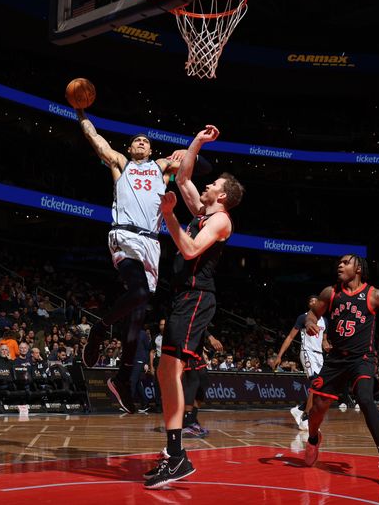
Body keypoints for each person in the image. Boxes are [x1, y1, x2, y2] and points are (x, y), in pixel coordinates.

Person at [76, 108, 209, 414]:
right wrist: (80, 112)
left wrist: (189, 152)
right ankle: (99, 330)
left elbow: (200, 167)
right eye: (135, 141)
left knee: (137, 317)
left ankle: (123, 379)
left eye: (145, 141)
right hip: (123, 236)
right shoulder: (120, 164)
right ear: (129, 148)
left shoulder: (162, 168)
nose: (139, 143)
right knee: (137, 292)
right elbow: (94, 138)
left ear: (151, 149)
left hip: (152, 243)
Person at [144, 125, 244, 489]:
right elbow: (184, 175)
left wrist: (169, 216)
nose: (205, 185)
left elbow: (188, 250)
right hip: (184, 295)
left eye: (212, 184)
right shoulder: (202, 211)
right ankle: (174, 454)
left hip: (197, 296)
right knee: (165, 372)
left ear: (223, 195)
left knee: (170, 371)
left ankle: (177, 455)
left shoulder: (219, 220)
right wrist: (199, 140)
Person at [302, 254, 379, 483]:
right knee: (317, 408)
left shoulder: (375, 295)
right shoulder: (330, 292)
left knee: (365, 399)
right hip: (335, 360)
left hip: (362, 359)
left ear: (358, 269)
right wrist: (309, 323)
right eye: (339, 262)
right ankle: (313, 439)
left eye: (346, 262)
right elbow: (313, 313)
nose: (340, 265)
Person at [272, 295, 328, 431]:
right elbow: (291, 337)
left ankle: (300, 409)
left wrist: (326, 344)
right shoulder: (303, 318)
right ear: (309, 305)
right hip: (307, 352)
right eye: (311, 301)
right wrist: (279, 355)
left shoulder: (325, 320)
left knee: (322, 387)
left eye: (316, 301)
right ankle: (306, 418)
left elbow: (324, 339)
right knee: (315, 383)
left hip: (319, 355)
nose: (314, 302)